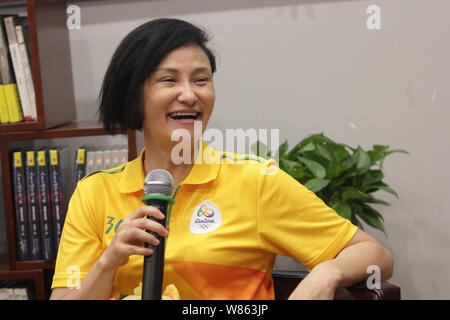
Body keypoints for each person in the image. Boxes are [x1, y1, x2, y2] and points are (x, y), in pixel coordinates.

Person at [50, 18, 393, 300]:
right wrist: (109, 261)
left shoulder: (255, 181)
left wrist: (326, 274)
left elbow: (375, 255)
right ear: (133, 97)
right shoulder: (94, 194)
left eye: (201, 80)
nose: (190, 94)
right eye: (169, 80)